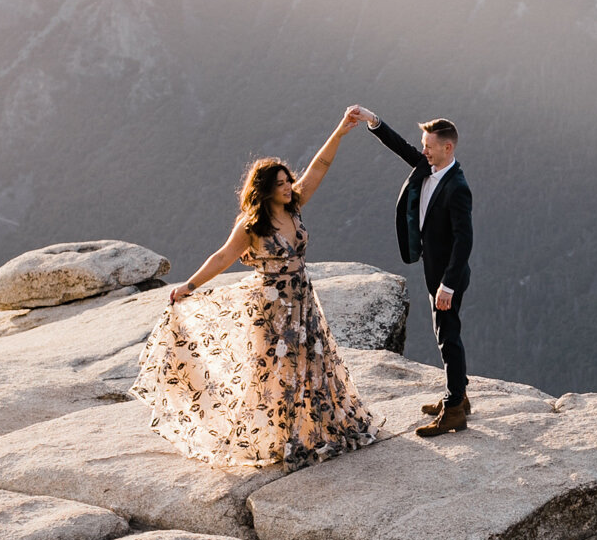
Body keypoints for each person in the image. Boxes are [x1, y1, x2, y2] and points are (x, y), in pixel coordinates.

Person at [132, 111, 377, 471]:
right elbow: (223, 256)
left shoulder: (295, 205)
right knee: (275, 372)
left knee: (312, 364)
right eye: (279, 183)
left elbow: (320, 165)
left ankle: (315, 430)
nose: (287, 186)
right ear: (264, 189)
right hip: (272, 307)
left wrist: (340, 131)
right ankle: (279, 438)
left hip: (303, 301)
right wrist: (189, 286)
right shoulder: (252, 224)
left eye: (287, 180)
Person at [349, 107, 472, 436]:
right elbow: (401, 146)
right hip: (435, 269)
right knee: (446, 333)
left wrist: (447, 285)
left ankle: (455, 408)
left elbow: (465, 240)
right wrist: (373, 121)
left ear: (448, 148)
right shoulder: (427, 167)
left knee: (448, 338)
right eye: (424, 144)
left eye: (429, 146)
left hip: (448, 276)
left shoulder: (457, 187)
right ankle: (459, 395)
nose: (423, 150)